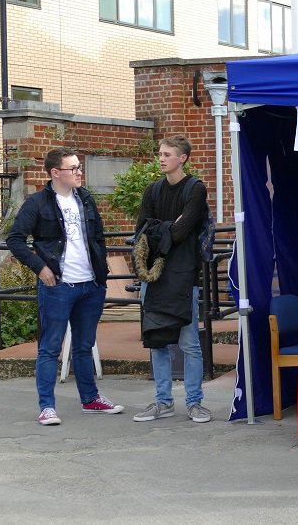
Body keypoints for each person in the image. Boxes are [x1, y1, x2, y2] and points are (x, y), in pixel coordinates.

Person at [7, 147, 123, 425]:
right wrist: (41, 267)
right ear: (55, 172)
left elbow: (97, 237)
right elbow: (15, 240)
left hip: (90, 285)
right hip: (58, 286)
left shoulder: (85, 198)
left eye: (79, 167)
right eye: (73, 168)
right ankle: (47, 407)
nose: (79, 172)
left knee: (84, 345)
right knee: (50, 347)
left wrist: (101, 272)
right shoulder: (36, 203)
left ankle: (90, 399)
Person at [132, 135, 212, 424]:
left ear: (183, 158)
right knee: (157, 341)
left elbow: (182, 232)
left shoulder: (195, 189)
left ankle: (194, 402)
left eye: (168, 154)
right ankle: (162, 401)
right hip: (153, 277)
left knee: (189, 343)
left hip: (183, 276)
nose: (162, 158)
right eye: (160, 153)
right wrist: (169, 227)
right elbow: (142, 229)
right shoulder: (153, 190)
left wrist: (161, 229)